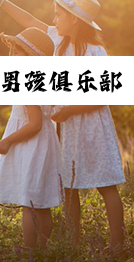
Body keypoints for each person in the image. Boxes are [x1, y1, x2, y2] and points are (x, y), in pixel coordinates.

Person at [52, 105, 126, 254]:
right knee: (69, 187)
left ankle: (118, 244)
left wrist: (69, 110)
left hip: (93, 127)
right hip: (68, 129)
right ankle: (73, 244)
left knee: (107, 186)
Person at [0, 105, 62, 249]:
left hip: (32, 147)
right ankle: (43, 251)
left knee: (29, 204)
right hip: (41, 143)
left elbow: (35, 124)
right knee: (42, 204)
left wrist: (8, 140)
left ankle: (30, 252)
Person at [0, 0, 107, 56]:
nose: (54, 20)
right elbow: (29, 20)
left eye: (58, 15)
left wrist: (66, 109)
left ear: (73, 18)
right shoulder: (58, 37)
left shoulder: (96, 51)